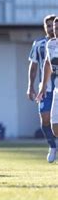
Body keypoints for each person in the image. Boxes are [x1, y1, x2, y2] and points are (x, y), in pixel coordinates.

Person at [36, 14, 58, 163]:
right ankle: (53, 146)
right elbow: (48, 64)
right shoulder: (50, 44)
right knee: (54, 126)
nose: (55, 30)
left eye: (57, 28)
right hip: (57, 88)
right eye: (54, 28)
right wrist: (43, 86)